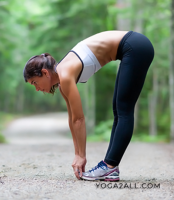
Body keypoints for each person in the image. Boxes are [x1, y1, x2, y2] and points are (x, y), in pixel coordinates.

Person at [23, 31, 154, 181]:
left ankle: (110, 166)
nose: (37, 89)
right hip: (132, 48)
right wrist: (78, 155)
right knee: (119, 110)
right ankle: (110, 166)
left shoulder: (64, 75)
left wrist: (82, 156)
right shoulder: (62, 80)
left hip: (135, 46)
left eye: (35, 83)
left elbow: (79, 119)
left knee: (123, 110)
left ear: (45, 72)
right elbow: (72, 118)